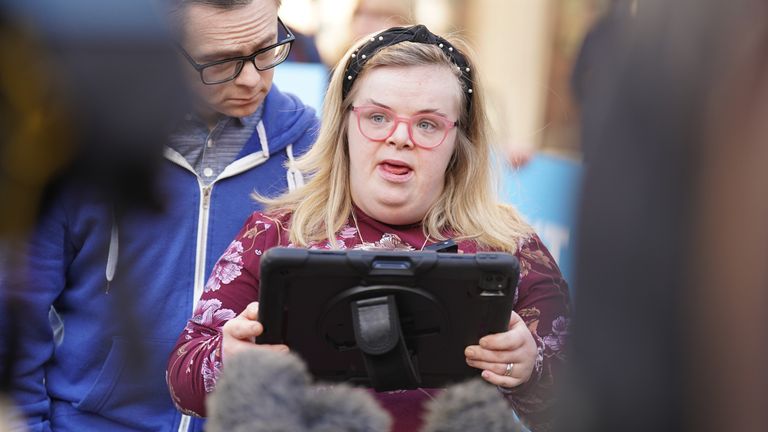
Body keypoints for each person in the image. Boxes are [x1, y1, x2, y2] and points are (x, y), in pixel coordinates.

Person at [167, 25, 570, 432]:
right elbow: (183, 380)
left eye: (427, 124)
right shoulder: (276, 232)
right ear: (343, 125)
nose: (400, 138)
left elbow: (580, 402)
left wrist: (529, 366)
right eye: (378, 117)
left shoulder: (508, 244)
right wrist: (230, 357)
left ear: (459, 142)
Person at [8, 0, 319, 431]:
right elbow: (22, 315)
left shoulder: (313, 153)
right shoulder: (84, 144)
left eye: (267, 49)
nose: (253, 78)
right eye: (221, 62)